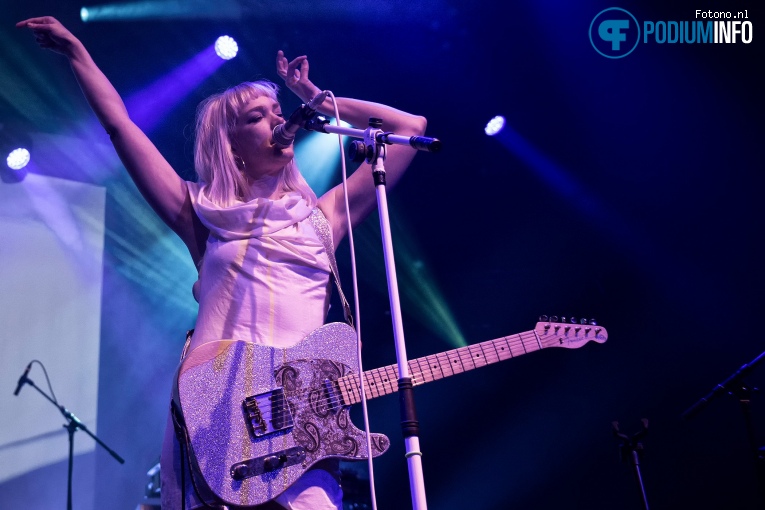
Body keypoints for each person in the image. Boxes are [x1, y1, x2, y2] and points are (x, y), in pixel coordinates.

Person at [17, 15, 427, 510]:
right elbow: (120, 127)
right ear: (230, 144)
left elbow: (410, 129)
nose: (278, 120)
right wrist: (78, 54)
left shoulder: (323, 218)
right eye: (258, 115)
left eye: (279, 110)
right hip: (218, 415)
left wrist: (315, 100)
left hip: (302, 426)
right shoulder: (202, 215)